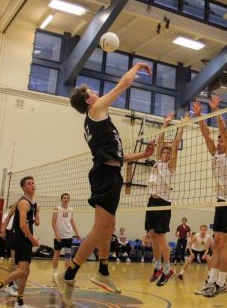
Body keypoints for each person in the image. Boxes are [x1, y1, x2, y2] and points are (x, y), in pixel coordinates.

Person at [55, 62, 155, 307]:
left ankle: (103, 271)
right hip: (105, 176)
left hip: (111, 174)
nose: (98, 95)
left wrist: (142, 156)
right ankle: (68, 275)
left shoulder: (97, 121)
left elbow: (116, 157)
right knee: (100, 229)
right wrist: (137, 65)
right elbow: (124, 83)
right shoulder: (97, 109)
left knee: (108, 226)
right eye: (93, 94)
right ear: (89, 101)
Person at [193, 95, 227, 297]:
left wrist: (216, 111)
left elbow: (222, 130)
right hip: (221, 202)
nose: (220, 142)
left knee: (224, 244)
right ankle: (211, 282)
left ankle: (221, 282)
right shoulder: (215, 153)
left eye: (223, 140)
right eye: (220, 140)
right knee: (217, 243)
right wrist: (200, 118)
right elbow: (207, 136)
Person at [146, 110, 188, 287]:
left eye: (168, 153)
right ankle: (157, 267)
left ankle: (168, 268)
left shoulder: (170, 166)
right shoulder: (157, 162)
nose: (166, 154)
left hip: (163, 202)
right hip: (152, 201)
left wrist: (182, 125)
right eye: (164, 152)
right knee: (152, 235)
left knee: (161, 238)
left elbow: (176, 143)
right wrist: (166, 123)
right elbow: (160, 141)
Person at [0, 176, 40, 308]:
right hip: (21, 239)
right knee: (22, 270)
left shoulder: (33, 203)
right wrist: (33, 240)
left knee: (25, 271)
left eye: (33, 183)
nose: (32, 185)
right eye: (29, 184)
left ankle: (19, 301)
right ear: (23, 187)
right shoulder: (23, 203)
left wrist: (37, 214)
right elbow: (22, 225)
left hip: (24, 239)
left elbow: (34, 222)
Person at [52, 193, 81, 281]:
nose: (66, 199)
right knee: (56, 255)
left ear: (69, 200)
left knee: (68, 256)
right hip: (59, 236)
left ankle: (66, 275)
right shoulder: (57, 208)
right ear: (61, 199)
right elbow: (53, 222)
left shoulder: (71, 209)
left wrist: (76, 233)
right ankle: (54, 274)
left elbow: (72, 221)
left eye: (68, 198)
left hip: (68, 235)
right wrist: (56, 234)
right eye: (64, 198)